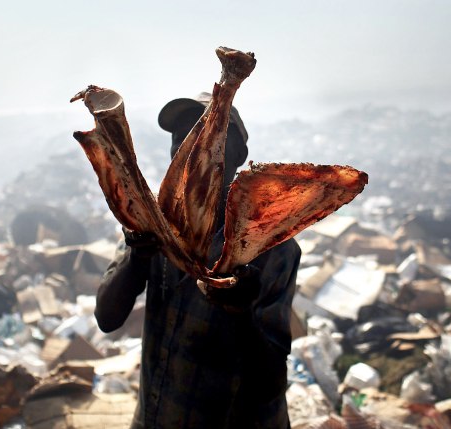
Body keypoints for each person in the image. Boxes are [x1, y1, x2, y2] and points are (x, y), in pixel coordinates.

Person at [95, 92, 301, 429]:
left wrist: (242, 312)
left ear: (240, 155)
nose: (192, 151)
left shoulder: (270, 246)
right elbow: (107, 317)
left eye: (209, 138)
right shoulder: (154, 222)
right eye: (181, 140)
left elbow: (269, 385)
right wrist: (137, 257)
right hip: (159, 415)